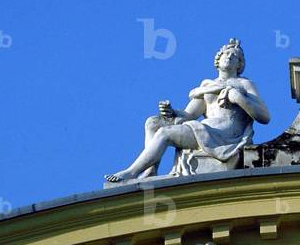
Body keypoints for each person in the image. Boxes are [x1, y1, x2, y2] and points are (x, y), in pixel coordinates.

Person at [106, 39, 270, 182]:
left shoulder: (244, 84)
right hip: (206, 128)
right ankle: (150, 170)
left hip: (226, 134)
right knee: (153, 123)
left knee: (165, 133)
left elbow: (264, 116)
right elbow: (189, 115)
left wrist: (238, 98)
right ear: (218, 60)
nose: (229, 57)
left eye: (235, 56)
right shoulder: (207, 85)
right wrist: (170, 112)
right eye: (226, 54)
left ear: (240, 65)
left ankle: (132, 172)